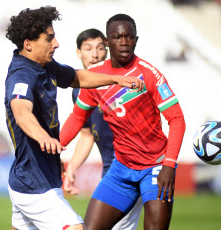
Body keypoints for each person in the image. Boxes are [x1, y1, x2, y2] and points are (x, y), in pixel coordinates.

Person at [4, 7, 143, 230]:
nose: (56, 44)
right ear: (28, 44)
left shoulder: (45, 66)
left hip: (37, 176)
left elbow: (78, 77)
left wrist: (115, 79)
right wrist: (43, 137)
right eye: (49, 39)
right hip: (35, 184)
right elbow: (21, 112)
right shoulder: (22, 75)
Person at [60, 14, 186, 230]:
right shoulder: (95, 77)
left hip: (155, 168)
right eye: (118, 37)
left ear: (136, 40)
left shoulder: (150, 74)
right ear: (108, 42)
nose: (124, 41)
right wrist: (55, 147)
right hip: (121, 170)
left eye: (129, 37)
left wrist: (169, 165)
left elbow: (177, 119)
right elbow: (77, 118)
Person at [64, 28, 143, 230]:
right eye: (88, 48)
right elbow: (86, 134)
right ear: (78, 53)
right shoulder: (79, 91)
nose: (95, 54)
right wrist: (72, 167)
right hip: (110, 173)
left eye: (100, 48)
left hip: (131, 171)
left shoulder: (123, 83)